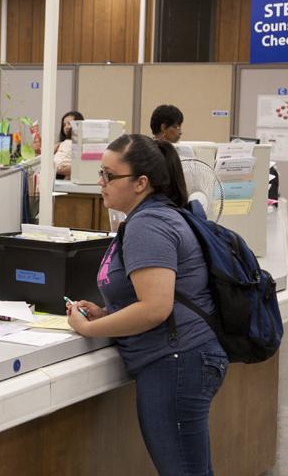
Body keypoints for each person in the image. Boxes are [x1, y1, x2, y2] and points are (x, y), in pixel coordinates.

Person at [66, 134, 228, 475]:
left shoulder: (148, 225)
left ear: (141, 183)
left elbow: (156, 308)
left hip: (176, 362)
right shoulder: (159, 216)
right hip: (185, 358)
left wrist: (89, 327)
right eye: (101, 173)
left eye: (110, 176)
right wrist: (108, 312)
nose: (101, 182)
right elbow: (157, 296)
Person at [54, 110, 84, 178]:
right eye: (64, 125)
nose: (66, 127)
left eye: (69, 123)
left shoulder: (84, 147)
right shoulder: (59, 145)